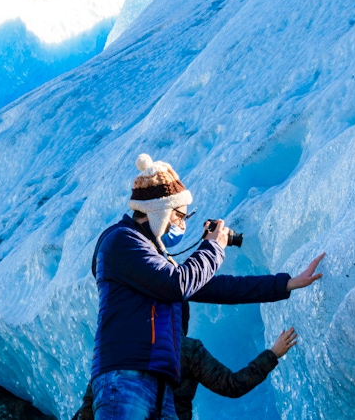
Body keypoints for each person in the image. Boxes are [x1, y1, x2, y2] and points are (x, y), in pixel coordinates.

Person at [90, 153, 324, 420]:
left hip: (159, 381)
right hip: (127, 377)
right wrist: (213, 247)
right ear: (159, 210)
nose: (182, 223)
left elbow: (219, 288)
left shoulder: (150, 258)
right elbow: (178, 284)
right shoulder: (121, 242)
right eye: (180, 214)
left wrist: (287, 283)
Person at [73, 328, 298, 420]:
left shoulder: (116, 349)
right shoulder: (186, 350)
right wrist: (272, 354)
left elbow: (87, 410)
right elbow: (233, 385)